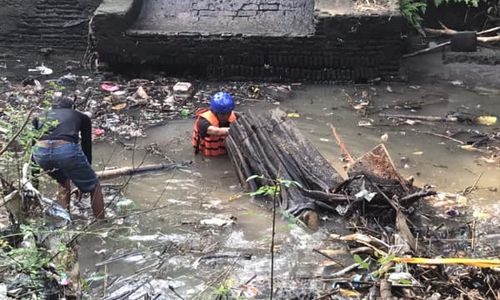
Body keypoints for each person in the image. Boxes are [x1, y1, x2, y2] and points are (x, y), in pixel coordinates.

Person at [32, 95, 105, 219]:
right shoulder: (81, 116)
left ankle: (63, 222)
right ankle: (102, 223)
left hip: (40, 152)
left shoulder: (40, 116)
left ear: (52, 107)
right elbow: (86, 145)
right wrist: (86, 177)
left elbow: (32, 146)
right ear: (72, 107)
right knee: (94, 184)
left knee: (62, 181)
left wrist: (33, 182)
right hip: (65, 149)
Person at [192, 92, 237, 156]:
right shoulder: (203, 122)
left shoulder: (233, 116)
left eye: (228, 113)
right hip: (207, 154)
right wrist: (235, 130)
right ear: (214, 112)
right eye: (222, 114)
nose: (226, 116)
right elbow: (216, 131)